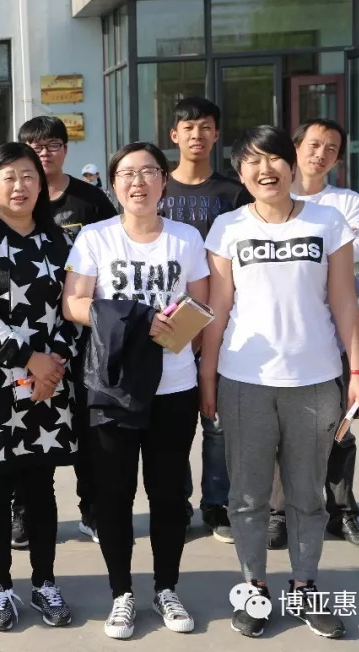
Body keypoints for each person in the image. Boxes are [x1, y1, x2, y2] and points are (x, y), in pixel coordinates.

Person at [201, 126, 359, 640]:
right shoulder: (228, 227)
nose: (266, 170)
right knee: (248, 496)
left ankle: (304, 585)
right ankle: (253, 588)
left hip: (316, 379)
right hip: (244, 379)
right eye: (253, 162)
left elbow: (343, 302)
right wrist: (208, 378)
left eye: (275, 159)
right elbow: (218, 309)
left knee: (307, 495)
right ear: (241, 173)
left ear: (290, 165)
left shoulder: (328, 222)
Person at [62, 142, 209, 640]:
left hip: (174, 385)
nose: (138, 182)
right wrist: (134, 319)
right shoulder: (95, 237)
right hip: (114, 387)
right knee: (114, 494)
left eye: (148, 172)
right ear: (113, 185)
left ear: (164, 181)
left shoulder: (186, 238)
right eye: (127, 173)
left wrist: (176, 330)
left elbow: (201, 308)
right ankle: (121, 592)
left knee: (168, 495)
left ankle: (166, 587)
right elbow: (73, 303)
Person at [0, 142, 78, 632]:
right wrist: (31, 360)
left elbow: (74, 309)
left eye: (29, 176)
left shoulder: (59, 240)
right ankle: (0, 587)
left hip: (49, 385)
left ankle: (45, 582)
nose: (20, 186)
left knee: (42, 487)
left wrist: (53, 363)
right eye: (8, 177)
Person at [267, 118, 359, 551]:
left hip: (334, 336)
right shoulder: (275, 192)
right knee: (279, 431)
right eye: (314, 144)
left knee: (340, 428)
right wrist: (327, 241)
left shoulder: (345, 201)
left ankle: (343, 514)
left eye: (331, 148)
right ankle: (277, 514)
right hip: (281, 335)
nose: (321, 154)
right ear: (295, 147)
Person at [12, 116, 115, 549]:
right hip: (30, 337)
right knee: (29, 424)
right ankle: (24, 511)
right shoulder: (15, 200)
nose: (44, 153)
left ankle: (92, 510)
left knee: (90, 429)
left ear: (66, 150)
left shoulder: (90, 200)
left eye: (53, 144)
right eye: (35, 146)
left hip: (84, 334)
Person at [159, 97, 253, 544]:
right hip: (168, 326)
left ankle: (217, 504)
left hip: (224, 322)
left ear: (216, 135)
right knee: (174, 425)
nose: (196, 134)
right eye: (188, 127)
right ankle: (176, 502)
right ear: (174, 135)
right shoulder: (158, 188)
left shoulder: (234, 193)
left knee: (217, 424)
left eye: (205, 127)